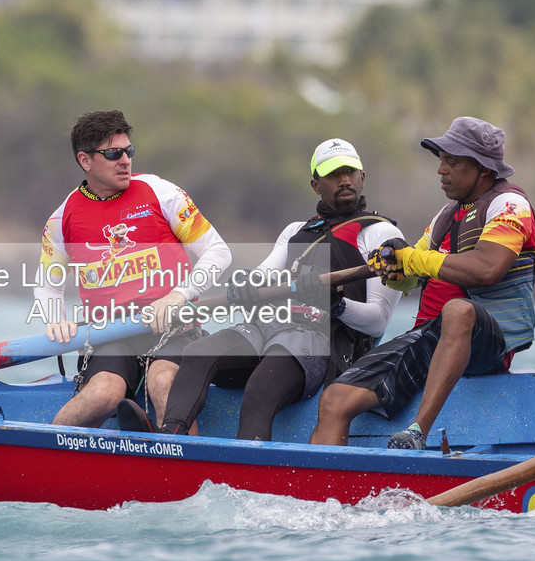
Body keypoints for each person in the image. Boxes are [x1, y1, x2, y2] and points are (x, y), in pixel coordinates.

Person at [310, 117, 535, 450]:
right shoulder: (446, 216)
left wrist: (410, 259)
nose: (441, 170)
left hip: (489, 341)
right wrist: (395, 269)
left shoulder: (509, 205)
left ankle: (418, 431)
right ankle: (324, 494)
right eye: (441, 160)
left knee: (458, 310)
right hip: (431, 337)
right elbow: (411, 277)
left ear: (484, 170)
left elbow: (487, 269)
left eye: (453, 162)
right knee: (335, 399)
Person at [157, 139, 406, 440]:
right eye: (333, 174)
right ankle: (170, 440)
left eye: (350, 172)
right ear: (316, 185)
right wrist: (245, 284)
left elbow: (379, 320)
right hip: (268, 328)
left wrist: (337, 304)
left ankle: (245, 479)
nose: (344, 180)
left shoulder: (382, 234)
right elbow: (262, 277)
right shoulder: (294, 232)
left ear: (362, 178)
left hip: (322, 341)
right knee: (198, 352)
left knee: (261, 387)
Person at [35, 110, 232, 428]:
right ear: (85, 160)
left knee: (163, 384)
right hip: (112, 335)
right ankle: (41, 460)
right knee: (102, 394)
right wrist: (54, 318)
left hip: (172, 329)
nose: (125, 160)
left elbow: (218, 252)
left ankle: (190, 475)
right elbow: (47, 286)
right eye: (113, 154)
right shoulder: (62, 218)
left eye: (129, 151)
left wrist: (179, 295)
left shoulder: (161, 193)